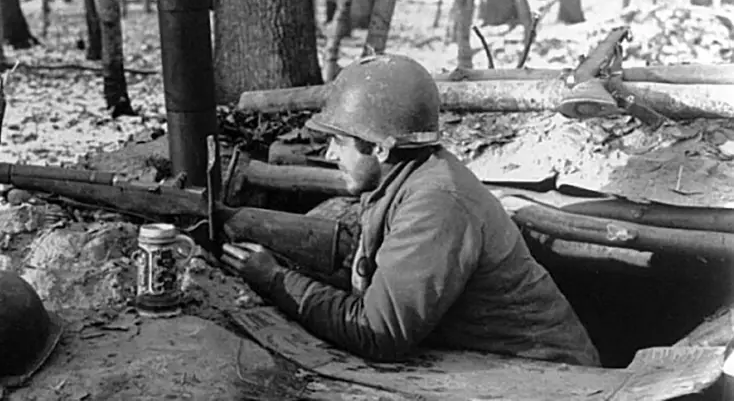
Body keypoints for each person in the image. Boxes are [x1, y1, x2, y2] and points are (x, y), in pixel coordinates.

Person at [221, 54, 601, 366]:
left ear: (382, 149)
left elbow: (376, 335)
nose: (329, 155)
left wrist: (275, 280)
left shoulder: (436, 204)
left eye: (339, 141)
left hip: (549, 377)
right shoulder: (412, 177)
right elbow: (368, 258)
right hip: (498, 363)